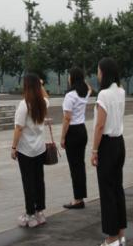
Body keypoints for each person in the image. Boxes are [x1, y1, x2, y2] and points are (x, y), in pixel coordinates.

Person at [91, 57, 127, 246]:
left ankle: (111, 238)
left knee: (107, 192)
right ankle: (121, 233)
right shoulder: (121, 91)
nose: (97, 74)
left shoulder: (104, 95)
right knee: (117, 188)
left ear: (104, 72)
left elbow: (100, 125)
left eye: (98, 70)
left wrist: (94, 150)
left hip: (107, 145)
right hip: (119, 143)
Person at [11, 73, 49, 228]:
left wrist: (14, 147)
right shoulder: (42, 103)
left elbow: (18, 128)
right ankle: (40, 212)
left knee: (28, 181)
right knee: (39, 180)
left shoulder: (24, 104)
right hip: (40, 148)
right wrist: (41, 85)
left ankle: (30, 214)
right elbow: (46, 97)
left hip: (26, 150)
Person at [60, 67, 90, 210]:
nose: (68, 78)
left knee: (75, 167)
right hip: (82, 130)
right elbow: (89, 87)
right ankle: (80, 197)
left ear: (72, 78)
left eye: (69, 76)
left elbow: (67, 118)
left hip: (72, 132)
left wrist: (62, 137)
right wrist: (82, 81)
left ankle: (78, 200)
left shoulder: (70, 95)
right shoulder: (85, 92)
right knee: (80, 165)